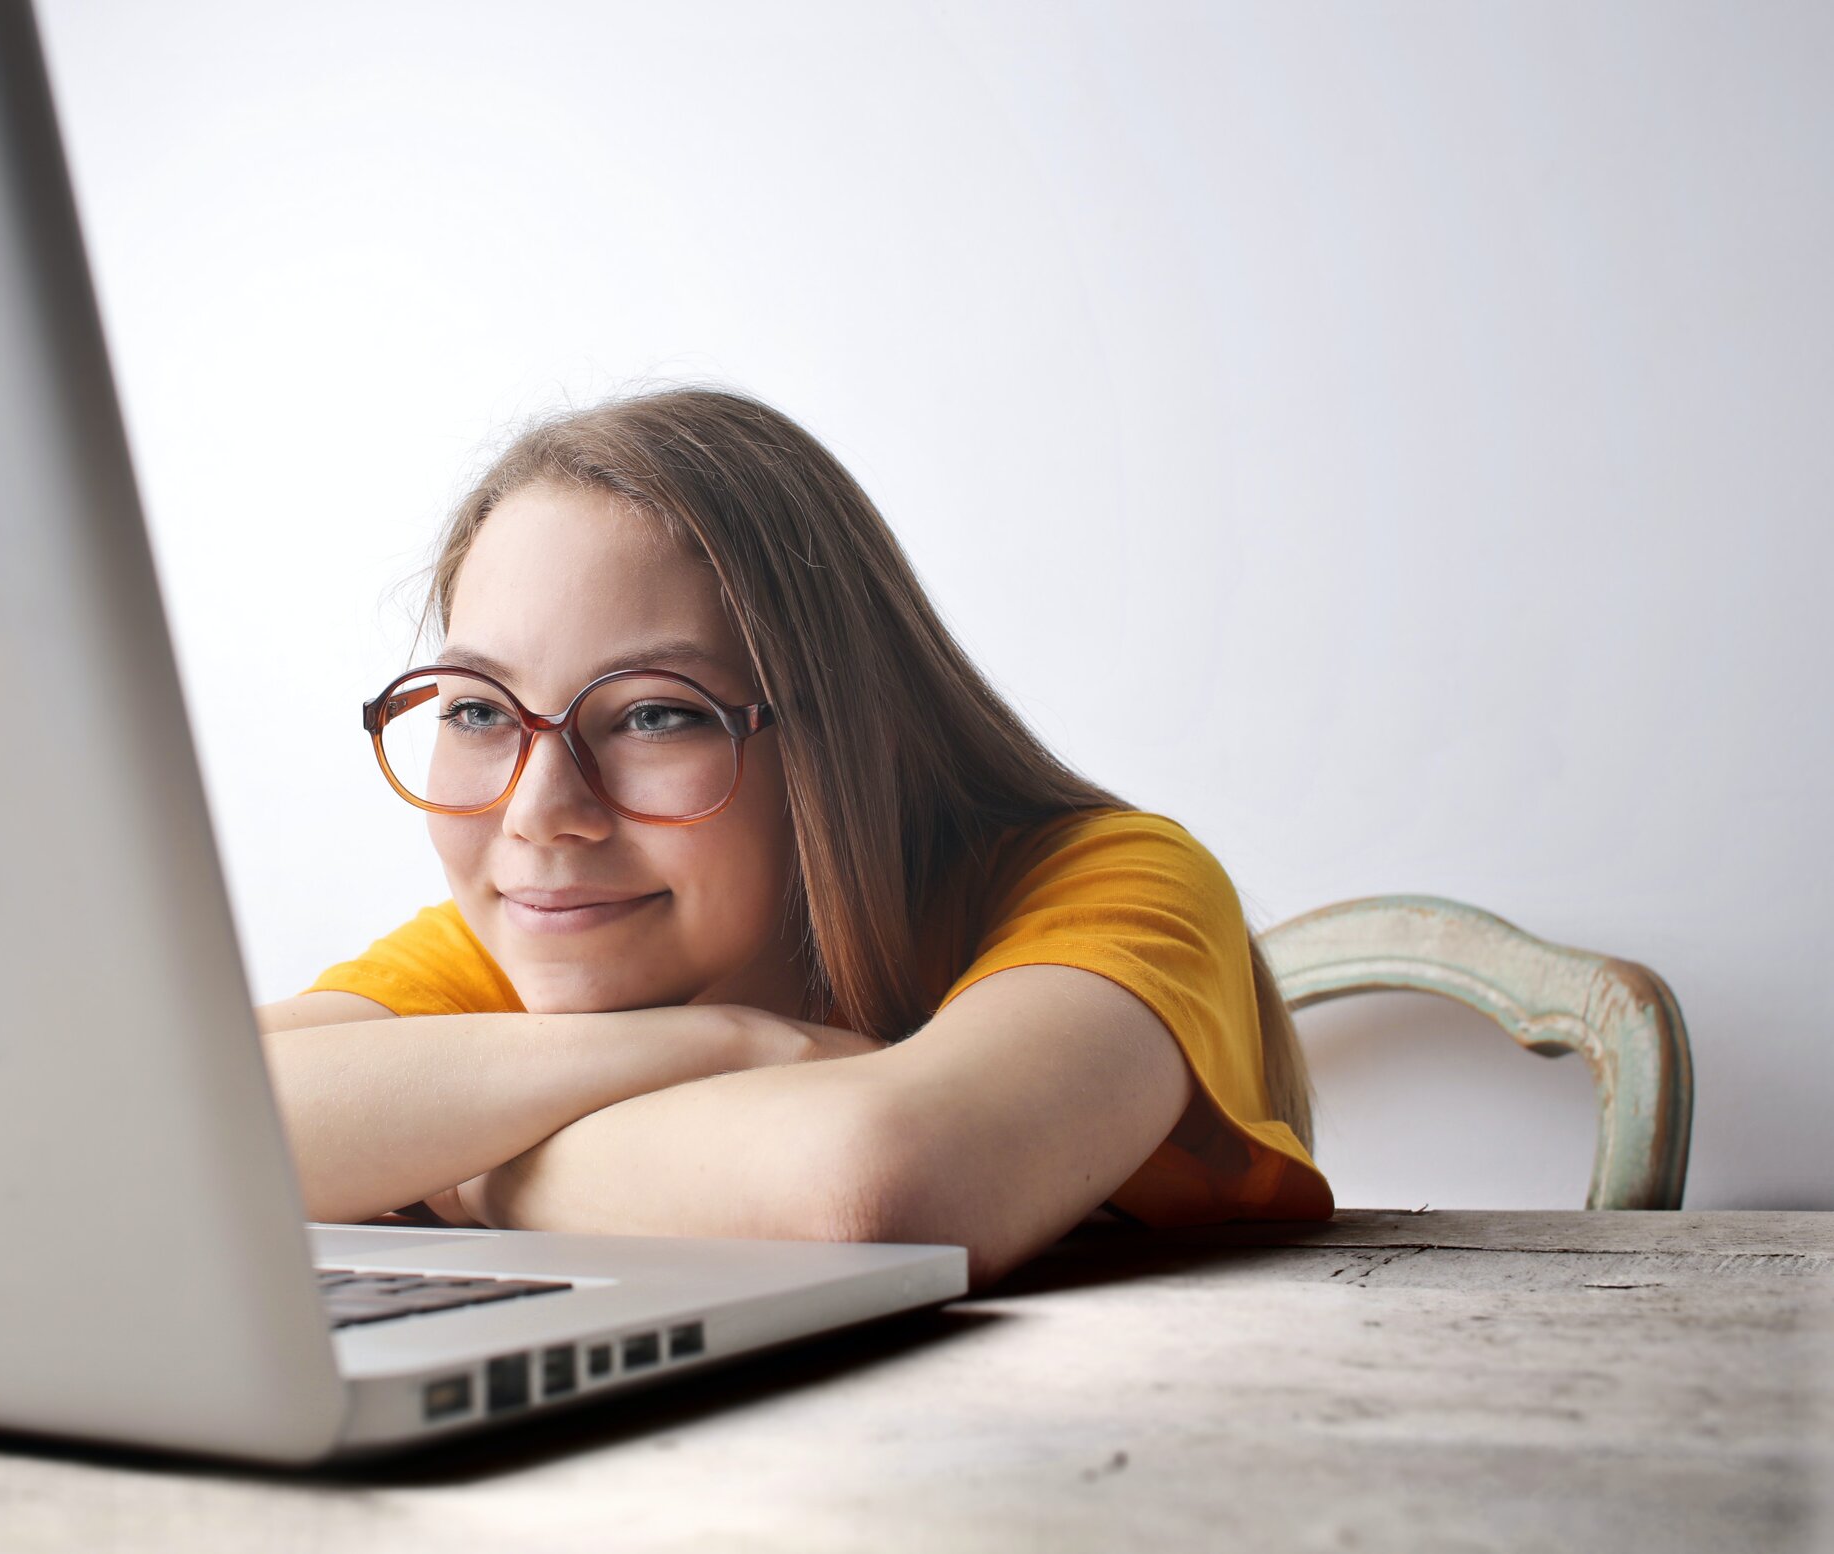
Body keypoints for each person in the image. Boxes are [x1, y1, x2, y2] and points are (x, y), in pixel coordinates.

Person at [253, 386, 1332, 1288]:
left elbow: (873, 1186)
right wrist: (717, 1043)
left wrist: (446, 1165)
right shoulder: (540, 940)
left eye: (654, 713)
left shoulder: (1108, 881)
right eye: (479, 710)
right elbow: (142, 1115)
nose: (538, 812)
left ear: (837, 736)